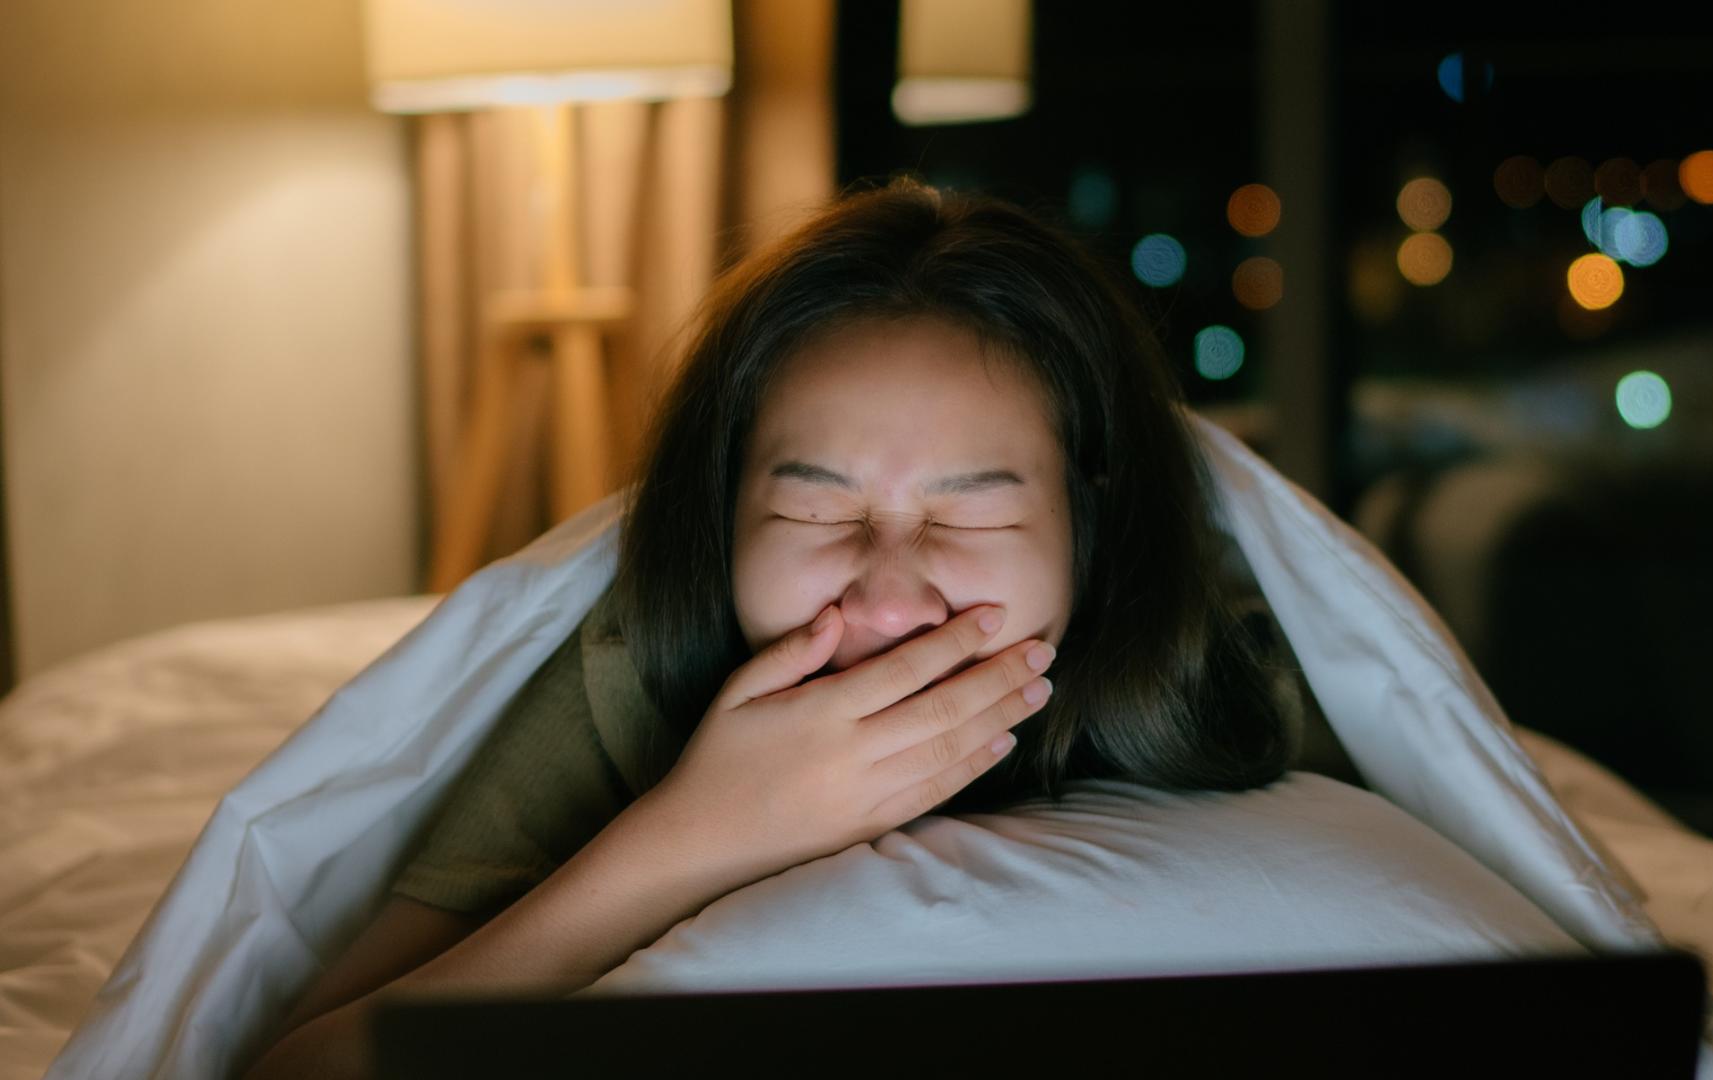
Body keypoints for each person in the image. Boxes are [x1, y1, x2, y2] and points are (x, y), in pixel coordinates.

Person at [243, 175, 1315, 1079]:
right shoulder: (624, 682)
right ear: (722, 511)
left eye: (973, 508)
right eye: (814, 508)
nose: (890, 601)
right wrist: (700, 833)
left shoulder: (1220, 679)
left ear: (1088, 515)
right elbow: (305, 1064)